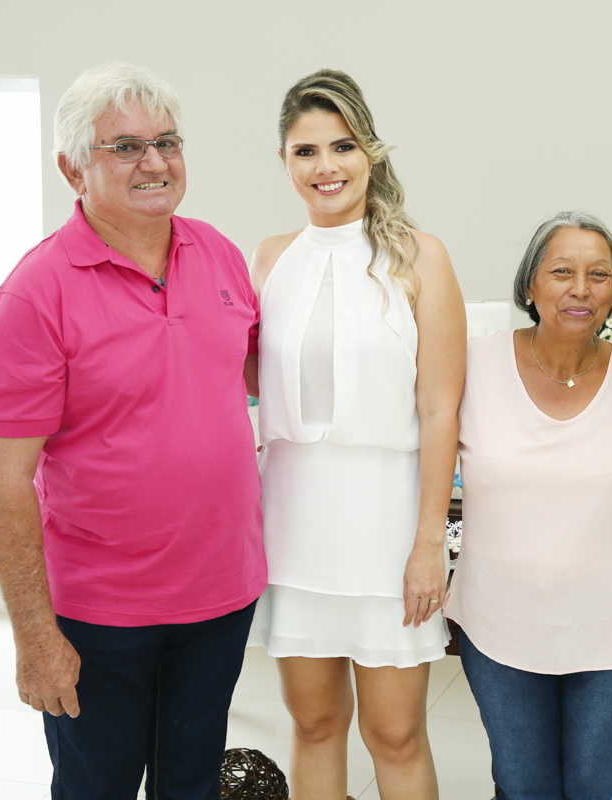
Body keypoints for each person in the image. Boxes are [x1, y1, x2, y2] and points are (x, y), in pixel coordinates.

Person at [0, 63, 265, 799]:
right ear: (73, 169)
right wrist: (36, 638)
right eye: (125, 147)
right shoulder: (34, 295)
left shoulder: (218, 252)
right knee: (95, 788)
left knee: (190, 783)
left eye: (167, 141)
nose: (155, 163)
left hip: (220, 600)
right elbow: (0, 482)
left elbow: (259, 381)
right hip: (99, 616)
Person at [245, 69, 465, 800]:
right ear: (285, 162)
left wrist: (429, 542)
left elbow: (440, 410)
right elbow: (246, 382)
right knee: (313, 726)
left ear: (369, 151)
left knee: (396, 734)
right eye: (305, 151)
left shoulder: (420, 257)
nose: (326, 166)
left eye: (341, 146)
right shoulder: (270, 259)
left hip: (387, 527)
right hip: (294, 524)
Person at [444, 211, 612, 799]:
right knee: (522, 787)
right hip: (499, 627)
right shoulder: (472, 361)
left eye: (600, 274)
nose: (581, 290)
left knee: (598, 789)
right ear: (530, 284)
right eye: (561, 271)